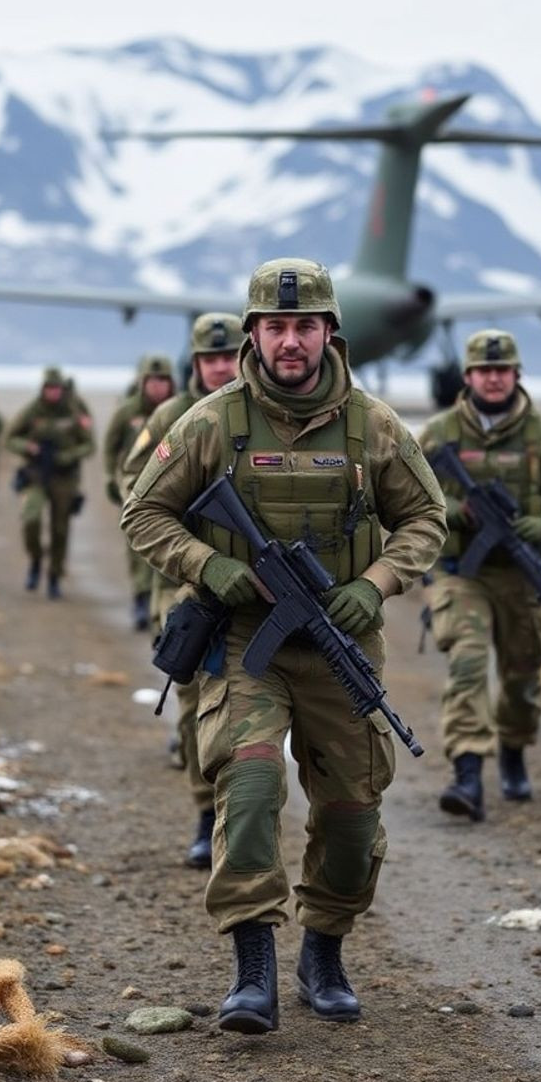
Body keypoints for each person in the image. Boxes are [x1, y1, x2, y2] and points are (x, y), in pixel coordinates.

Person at [122, 258, 446, 1034]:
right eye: (276, 327)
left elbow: (426, 520)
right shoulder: (211, 423)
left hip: (340, 640)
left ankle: (323, 953)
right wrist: (209, 566)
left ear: (330, 332)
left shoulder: (374, 426)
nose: (290, 341)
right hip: (244, 643)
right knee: (250, 784)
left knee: (352, 814)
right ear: (254, 334)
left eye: (304, 326)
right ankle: (253, 968)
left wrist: (375, 583)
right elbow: (144, 513)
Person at [418, 329, 541, 820]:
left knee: (523, 676)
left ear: (516, 374)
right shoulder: (440, 433)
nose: (493, 379)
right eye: (483, 370)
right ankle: (468, 774)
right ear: (468, 376)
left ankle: (513, 748)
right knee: (468, 664)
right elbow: (402, 489)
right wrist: (453, 511)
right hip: (461, 574)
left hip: (521, 574)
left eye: (501, 370)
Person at [121, 313, 242, 869]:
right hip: (191, 584)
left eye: (228, 356)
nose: (220, 367)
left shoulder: (260, 412)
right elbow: (133, 487)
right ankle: (205, 814)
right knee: (195, 700)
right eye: (209, 359)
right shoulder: (172, 416)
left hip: (258, 580)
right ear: (194, 363)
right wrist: (186, 529)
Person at [6, 366, 96, 599]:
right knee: (31, 519)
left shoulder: (74, 412)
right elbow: (9, 437)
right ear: (43, 388)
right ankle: (36, 560)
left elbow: (89, 445)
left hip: (64, 478)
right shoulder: (33, 411)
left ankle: (54, 575)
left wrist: (68, 456)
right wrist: (28, 447)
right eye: (49, 388)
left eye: (57, 388)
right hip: (36, 475)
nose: (53, 392)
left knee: (60, 530)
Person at [104, 354, 176, 630]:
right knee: (137, 546)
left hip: (172, 489)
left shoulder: (180, 410)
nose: (158, 386)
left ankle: (162, 606)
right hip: (136, 489)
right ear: (143, 382)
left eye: (163, 380)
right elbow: (110, 447)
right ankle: (140, 598)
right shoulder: (127, 413)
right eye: (152, 381)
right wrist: (111, 478)